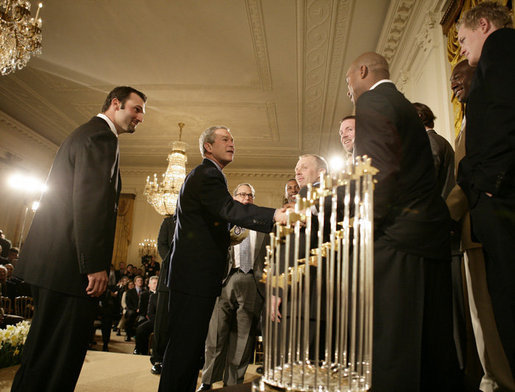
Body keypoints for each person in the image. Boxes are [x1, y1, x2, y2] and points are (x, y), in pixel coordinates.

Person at [11, 86, 146, 392]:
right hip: (70, 268)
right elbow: (90, 203)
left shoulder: (85, 134)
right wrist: (94, 265)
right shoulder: (101, 137)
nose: (140, 117)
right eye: (135, 109)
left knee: (42, 351)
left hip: (55, 262)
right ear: (115, 104)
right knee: (60, 356)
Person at [346, 52, 461, 391]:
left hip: (397, 240)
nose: (349, 90)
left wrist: (366, 232)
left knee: (395, 348)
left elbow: (379, 176)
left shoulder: (372, 102)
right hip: (428, 237)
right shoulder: (402, 104)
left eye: (348, 82)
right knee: (434, 348)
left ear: (363, 71)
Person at [158, 126, 287, 392]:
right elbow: (229, 208)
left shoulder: (210, 175)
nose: (232, 143)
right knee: (185, 348)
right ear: (208, 147)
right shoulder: (207, 174)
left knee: (189, 349)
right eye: (225, 139)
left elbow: (213, 222)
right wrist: (275, 215)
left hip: (194, 277)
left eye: (233, 139)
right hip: (193, 277)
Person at [447, 59, 515, 392]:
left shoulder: (486, 118)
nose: (454, 84)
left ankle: (501, 381)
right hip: (473, 234)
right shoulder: (469, 121)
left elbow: (467, 180)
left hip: (483, 230)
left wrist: (442, 217)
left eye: (460, 77)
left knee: (489, 316)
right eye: (451, 81)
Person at [199, 183, 269, 390]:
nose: (246, 198)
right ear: (234, 197)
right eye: (242, 194)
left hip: (252, 284)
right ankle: (208, 380)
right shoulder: (223, 221)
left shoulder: (262, 223)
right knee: (216, 335)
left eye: (250, 195)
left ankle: (232, 384)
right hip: (225, 281)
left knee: (243, 338)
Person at [150, 214, 176, 375]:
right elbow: (161, 245)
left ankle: (175, 360)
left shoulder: (195, 220)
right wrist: (175, 261)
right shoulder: (168, 221)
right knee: (162, 323)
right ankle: (158, 359)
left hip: (189, 280)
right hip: (168, 279)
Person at [413, 103, 455, 199]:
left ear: (419, 116)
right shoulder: (434, 139)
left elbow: (427, 179)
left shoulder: (430, 141)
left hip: (440, 205)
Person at [134, 275, 158, 355]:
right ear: (149, 285)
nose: (156, 285)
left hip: (156, 318)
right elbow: (142, 309)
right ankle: (138, 348)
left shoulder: (162, 296)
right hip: (145, 316)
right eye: (154, 283)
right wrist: (147, 316)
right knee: (139, 327)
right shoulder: (144, 294)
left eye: (157, 283)